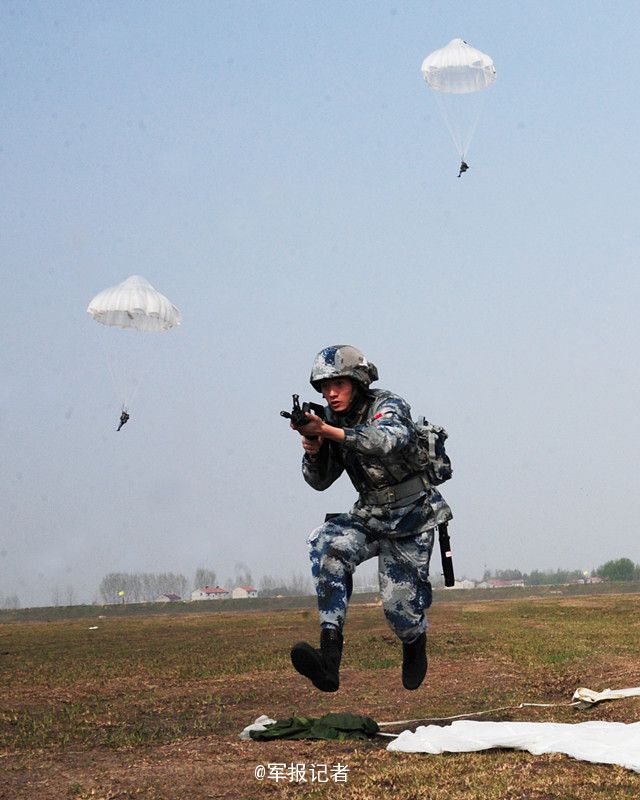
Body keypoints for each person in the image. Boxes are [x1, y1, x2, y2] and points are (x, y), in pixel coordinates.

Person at [289, 345, 452, 692]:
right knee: (326, 543)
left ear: (358, 381)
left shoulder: (387, 405)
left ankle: (414, 641)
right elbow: (319, 482)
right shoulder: (331, 422)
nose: (330, 393)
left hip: (412, 519)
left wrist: (329, 433)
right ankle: (328, 658)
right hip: (370, 516)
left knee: (399, 611)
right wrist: (315, 448)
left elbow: (386, 440)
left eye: (339, 384)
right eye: (323, 387)